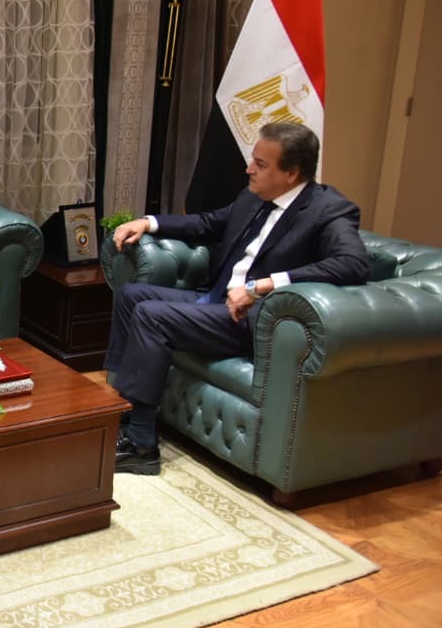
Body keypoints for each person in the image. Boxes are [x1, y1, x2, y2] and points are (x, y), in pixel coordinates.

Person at [106, 121, 370, 475]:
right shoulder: (253, 196)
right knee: (131, 296)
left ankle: (141, 445)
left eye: (260, 164)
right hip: (214, 301)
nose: (249, 169)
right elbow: (207, 223)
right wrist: (148, 222)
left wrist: (266, 285)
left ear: (291, 173)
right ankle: (123, 412)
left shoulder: (328, 210)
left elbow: (353, 264)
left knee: (151, 315)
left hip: (252, 320)